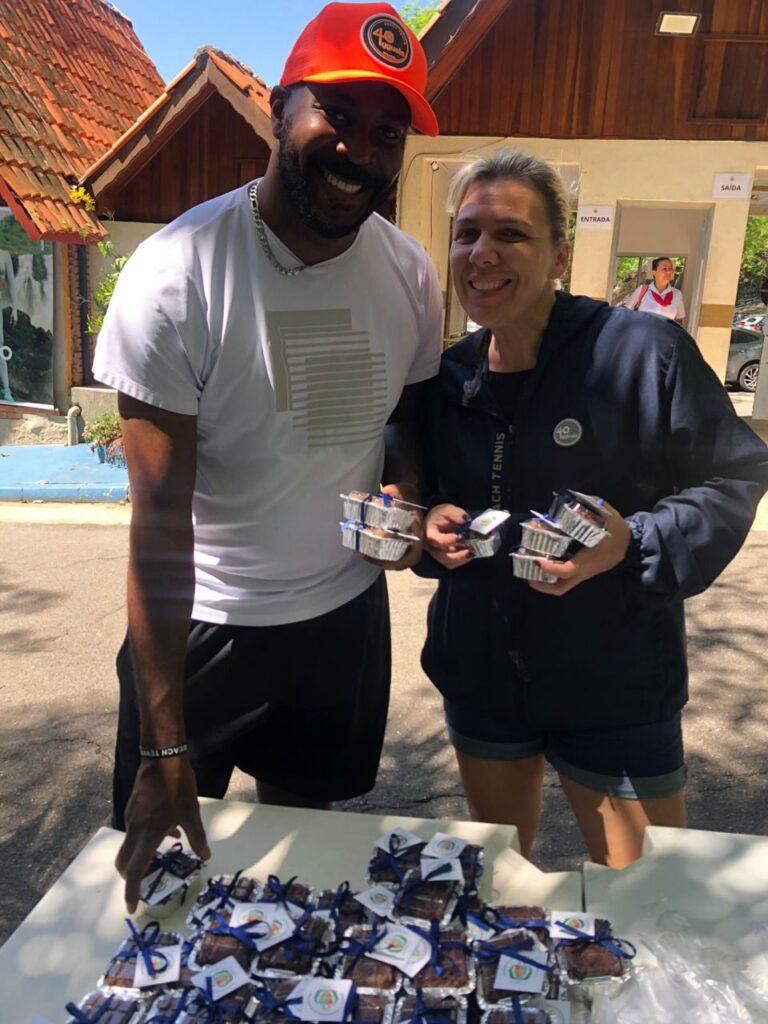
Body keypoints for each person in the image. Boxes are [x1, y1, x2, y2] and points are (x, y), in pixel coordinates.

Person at [92, 1, 442, 912]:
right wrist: (164, 743)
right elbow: (158, 524)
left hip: (341, 623)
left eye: (389, 132)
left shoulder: (410, 274)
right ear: (281, 108)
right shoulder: (176, 272)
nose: (360, 149)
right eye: (338, 113)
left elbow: (403, 421)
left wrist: (404, 492)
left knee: (306, 873)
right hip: (205, 626)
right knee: (159, 887)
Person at [419, 149, 768, 869]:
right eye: (467, 233)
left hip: (617, 686)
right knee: (503, 878)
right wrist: (427, 525)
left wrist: (633, 541)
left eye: (511, 234)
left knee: (649, 894)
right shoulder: (448, 376)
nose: (482, 253)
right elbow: (423, 492)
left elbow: (735, 474)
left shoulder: (644, 353)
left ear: (559, 255)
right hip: (482, 679)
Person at [622, 256, 686, 323]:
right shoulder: (642, 290)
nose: (668, 272)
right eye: (664, 269)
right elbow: (626, 312)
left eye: (670, 269)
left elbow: (679, 320)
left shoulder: (677, 294)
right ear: (654, 272)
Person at [0, 247, 17, 401]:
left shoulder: (4, 255)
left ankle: (6, 389)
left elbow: (11, 282)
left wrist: (14, 308)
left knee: (0, 347)